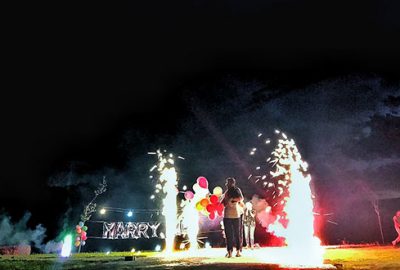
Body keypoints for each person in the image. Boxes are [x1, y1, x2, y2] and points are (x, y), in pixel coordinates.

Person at [221, 177, 244, 258]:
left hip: (233, 215)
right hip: (230, 215)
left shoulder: (235, 190)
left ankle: (234, 251)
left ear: (232, 183)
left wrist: (231, 200)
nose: (226, 184)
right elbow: (222, 203)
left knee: (232, 234)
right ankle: (233, 252)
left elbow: (240, 198)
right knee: (234, 234)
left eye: (227, 182)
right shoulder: (227, 193)